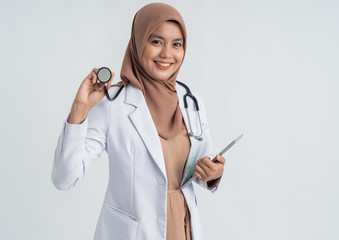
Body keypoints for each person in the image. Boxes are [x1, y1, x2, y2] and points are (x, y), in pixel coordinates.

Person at [52, 3, 226, 240]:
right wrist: (80, 108)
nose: (167, 53)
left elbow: (200, 166)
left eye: (177, 44)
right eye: (156, 42)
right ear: (138, 42)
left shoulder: (191, 100)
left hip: (183, 227)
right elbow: (64, 178)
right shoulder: (112, 103)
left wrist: (212, 174)